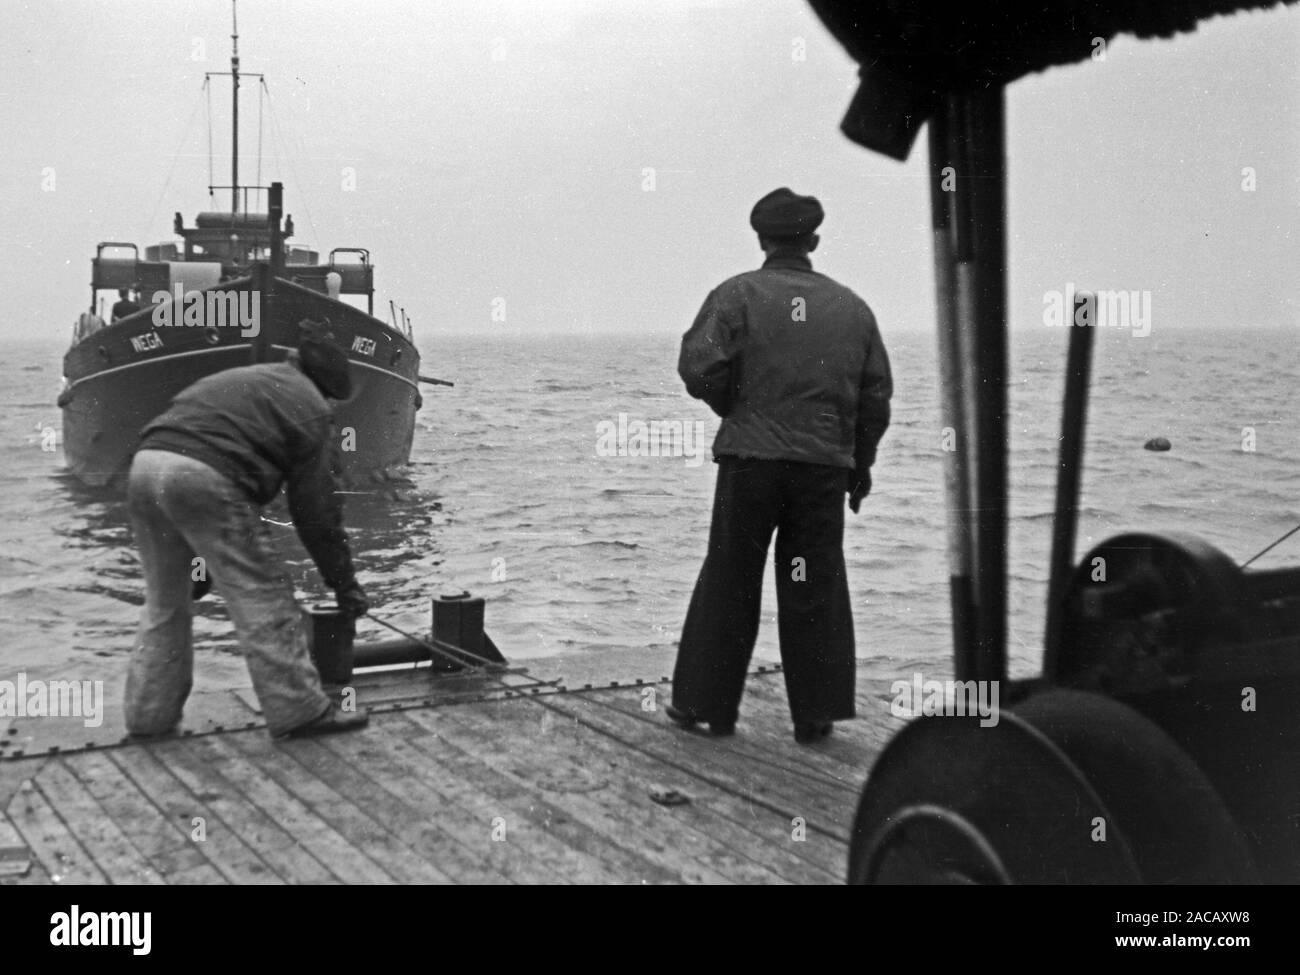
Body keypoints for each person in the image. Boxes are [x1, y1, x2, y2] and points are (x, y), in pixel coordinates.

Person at [668, 187, 893, 744]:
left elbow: (697, 365)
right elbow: (875, 398)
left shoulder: (737, 294)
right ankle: (814, 716)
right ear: (813, 241)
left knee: (731, 578)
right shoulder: (852, 308)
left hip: (751, 463)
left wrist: (732, 405)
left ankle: (707, 710)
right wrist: (858, 465)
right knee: (813, 582)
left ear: (762, 240)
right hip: (821, 468)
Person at [124, 327, 371, 738]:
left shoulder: (251, 378)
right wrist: (344, 584)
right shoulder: (313, 409)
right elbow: (317, 515)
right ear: (327, 389)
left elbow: (201, 511)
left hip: (146, 467)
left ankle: (149, 719)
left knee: (166, 602)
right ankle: (300, 712)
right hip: (204, 475)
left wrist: (201, 572)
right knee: (265, 596)